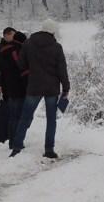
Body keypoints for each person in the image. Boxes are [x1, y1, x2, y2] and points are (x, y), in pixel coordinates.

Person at [10, 19, 69, 159]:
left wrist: (31, 71)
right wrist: (66, 87)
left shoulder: (28, 44)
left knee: (25, 117)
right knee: (51, 120)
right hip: (51, 88)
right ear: (53, 31)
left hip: (34, 86)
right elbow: (62, 69)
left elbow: (21, 64)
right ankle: (49, 149)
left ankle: (16, 147)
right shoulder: (56, 47)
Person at [0, 27, 16, 143]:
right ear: (6, 35)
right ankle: (1, 134)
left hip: (15, 83)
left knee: (13, 109)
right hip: (3, 84)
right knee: (4, 109)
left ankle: (11, 133)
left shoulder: (16, 46)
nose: (14, 37)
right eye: (12, 35)